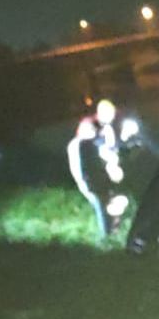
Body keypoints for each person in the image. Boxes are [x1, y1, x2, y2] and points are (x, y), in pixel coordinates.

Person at [67, 99, 127, 239]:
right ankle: (106, 235)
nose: (112, 118)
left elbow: (112, 147)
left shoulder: (107, 127)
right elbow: (94, 146)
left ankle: (114, 229)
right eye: (110, 114)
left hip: (99, 170)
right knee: (99, 199)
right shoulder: (88, 125)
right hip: (86, 171)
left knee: (111, 197)